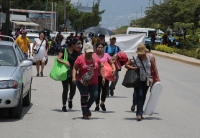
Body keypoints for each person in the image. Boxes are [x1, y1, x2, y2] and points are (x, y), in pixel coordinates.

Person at [125, 43, 160, 121]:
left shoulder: (150, 57)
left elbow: (154, 67)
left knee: (143, 96)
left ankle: (140, 111)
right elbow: (126, 65)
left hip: (147, 80)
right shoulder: (134, 58)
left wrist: (157, 77)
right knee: (140, 95)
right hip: (138, 80)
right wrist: (134, 68)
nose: (141, 55)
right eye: (139, 53)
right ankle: (139, 114)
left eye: (142, 53)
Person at [72, 42, 105, 119]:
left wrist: (103, 77)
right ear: (85, 51)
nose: (90, 53)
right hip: (82, 81)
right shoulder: (80, 58)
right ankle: (85, 113)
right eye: (88, 52)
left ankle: (86, 107)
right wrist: (73, 77)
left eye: (91, 52)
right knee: (84, 96)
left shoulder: (96, 58)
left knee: (95, 95)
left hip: (94, 81)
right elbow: (74, 68)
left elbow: (99, 68)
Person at [57, 38, 79, 112]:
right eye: (76, 44)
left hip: (73, 73)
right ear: (72, 44)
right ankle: (64, 105)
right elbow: (58, 59)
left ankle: (70, 99)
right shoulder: (64, 50)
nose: (77, 45)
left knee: (73, 89)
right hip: (65, 72)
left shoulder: (76, 52)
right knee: (65, 89)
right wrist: (65, 62)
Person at [94, 42, 116, 111]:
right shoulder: (93, 55)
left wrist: (114, 69)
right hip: (96, 76)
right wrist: (99, 65)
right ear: (96, 48)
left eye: (101, 47)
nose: (100, 49)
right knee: (97, 91)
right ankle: (97, 105)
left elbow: (111, 63)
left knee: (104, 90)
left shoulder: (106, 55)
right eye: (99, 47)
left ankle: (102, 103)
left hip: (105, 76)